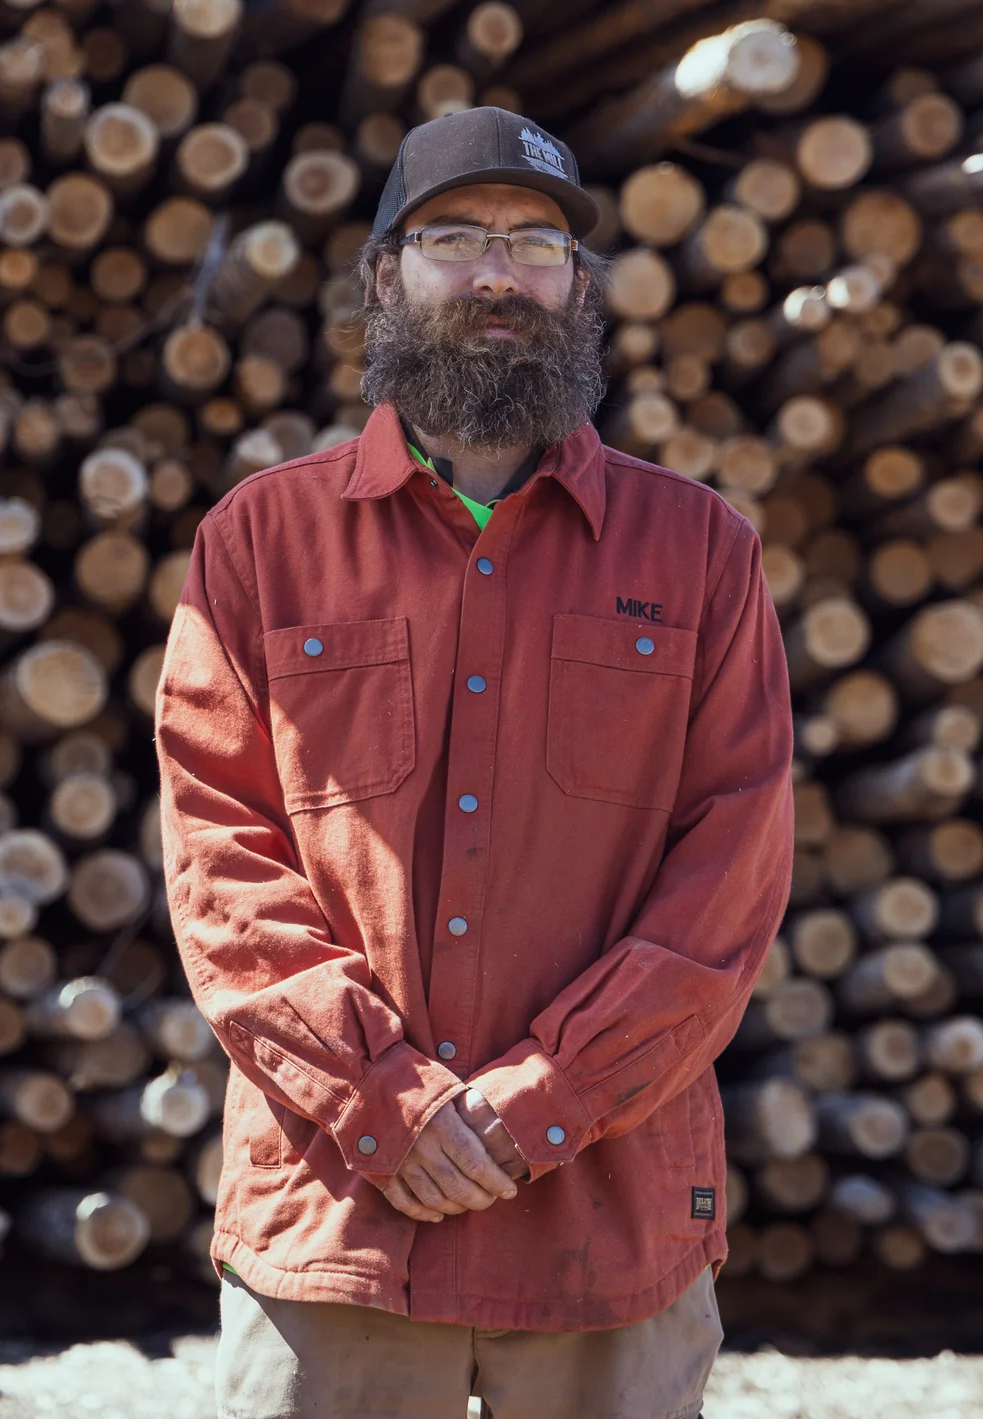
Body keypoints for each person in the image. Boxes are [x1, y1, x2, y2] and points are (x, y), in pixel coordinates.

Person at [155, 106, 795, 1419]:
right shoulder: (262, 544)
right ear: (386, 275)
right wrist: (378, 1095)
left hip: (604, 1234)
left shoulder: (700, 554)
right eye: (456, 237)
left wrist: (547, 1099)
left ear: (575, 288)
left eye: (536, 244)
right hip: (336, 1230)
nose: (500, 273)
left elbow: (732, 872)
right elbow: (222, 856)